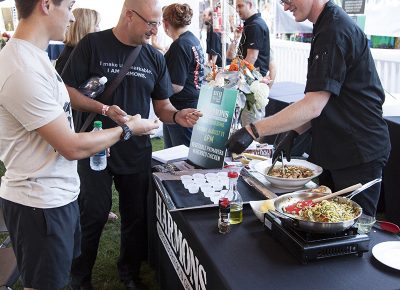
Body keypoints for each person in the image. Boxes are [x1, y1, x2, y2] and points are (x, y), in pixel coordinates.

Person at [0, 1, 160, 289]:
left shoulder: (33, 59)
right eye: (70, 5)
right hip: (39, 203)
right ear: (46, 5)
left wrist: (100, 133)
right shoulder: (21, 68)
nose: (73, 15)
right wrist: (127, 128)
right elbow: (71, 146)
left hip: (55, 198)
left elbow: (64, 129)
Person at [61, 0, 201, 289]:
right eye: (150, 23)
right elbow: (68, 91)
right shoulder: (92, 44)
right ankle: (80, 277)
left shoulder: (154, 57)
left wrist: (178, 115)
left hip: (135, 149)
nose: (154, 30)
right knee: (93, 214)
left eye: (156, 23)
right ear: (129, 15)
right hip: (95, 145)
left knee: (135, 216)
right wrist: (103, 109)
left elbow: (162, 106)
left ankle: (129, 273)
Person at [226, 0, 390, 217]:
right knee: (325, 219)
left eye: (287, 0)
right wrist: (294, 132)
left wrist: (252, 130)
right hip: (336, 149)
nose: (285, 7)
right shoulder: (324, 26)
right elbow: (327, 97)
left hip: (357, 151)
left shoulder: (335, 28)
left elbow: (313, 105)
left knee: (353, 229)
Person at [55, 7, 118, 223]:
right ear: (86, 28)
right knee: (91, 175)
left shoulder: (70, 53)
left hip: (81, 121)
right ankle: (92, 211)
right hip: (81, 121)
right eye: (96, 26)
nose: (100, 31)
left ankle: (95, 209)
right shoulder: (73, 57)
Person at [162, 3, 205, 148]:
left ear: (165, 23)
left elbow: (176, 86)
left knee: (179, 155)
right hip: (191, 102)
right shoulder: (192, 39)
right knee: (174, 153)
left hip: (181, 107)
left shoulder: (180, 45)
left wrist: (154, 91)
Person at [227, 0, 270, 76]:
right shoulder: (250, 24)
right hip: (247, 75)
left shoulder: (255, 25)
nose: (237, 10)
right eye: (236, 7)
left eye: (240, 6)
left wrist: (235, 77)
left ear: (249, 5)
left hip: (252, 79)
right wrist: (236, 38)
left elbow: (252, 57)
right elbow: (229, 56)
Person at [55, 8, 100, 74]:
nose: (99, 29)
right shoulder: (72, 57)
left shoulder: (75, 52)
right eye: (97, 25)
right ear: (84, 27)